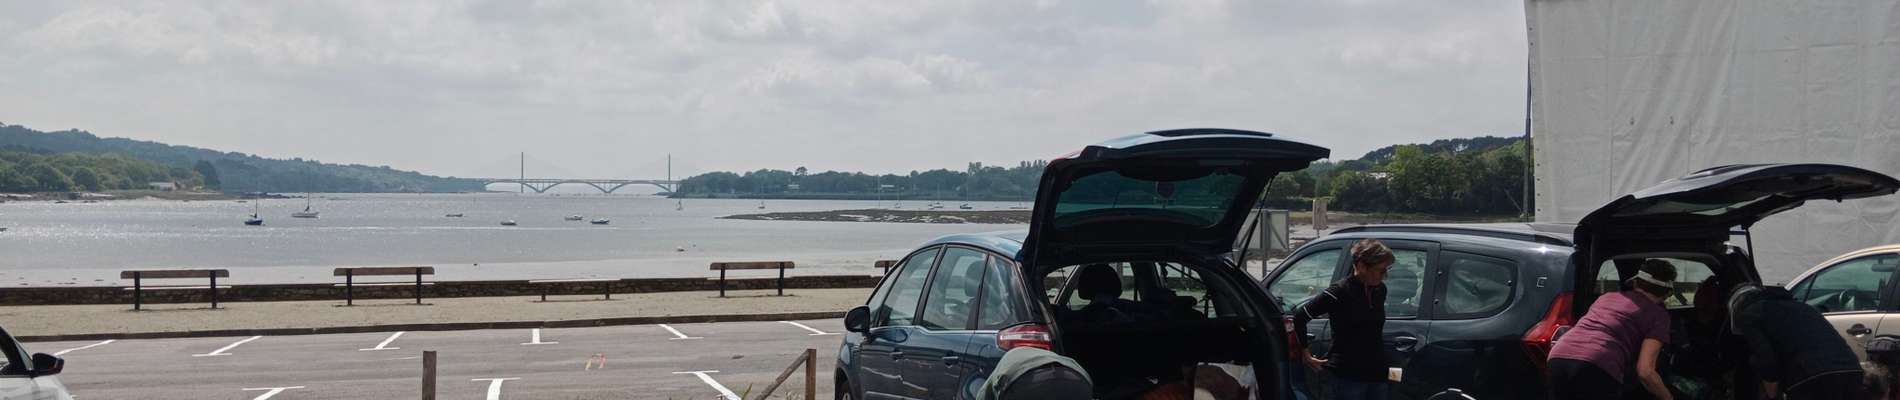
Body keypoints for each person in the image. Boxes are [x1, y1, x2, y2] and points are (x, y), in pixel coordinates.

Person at [1547, 259, 1677, 400]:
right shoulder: (1658, 315)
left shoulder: (1607, 297)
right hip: (1597, 364)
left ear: (1636, 282)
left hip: (1559, 356)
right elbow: (1645, 371)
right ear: (1667, 292)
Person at [1292, 238, 1396, 400]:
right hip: (1347, 376)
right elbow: (1300, 317)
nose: (1385, 276)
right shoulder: (1338, 292)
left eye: (1387, 270)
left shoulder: (1380, 290)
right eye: (1381, 271)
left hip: (1377, 374)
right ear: (1361, 266)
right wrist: (1306, 353)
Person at [1726, 283, 1867, 400]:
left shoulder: (1750, 315)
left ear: (1737, 307)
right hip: (1852, 370)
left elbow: (1766, 360)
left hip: (1811, 377)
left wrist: (1772, 394)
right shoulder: (1803, 308)